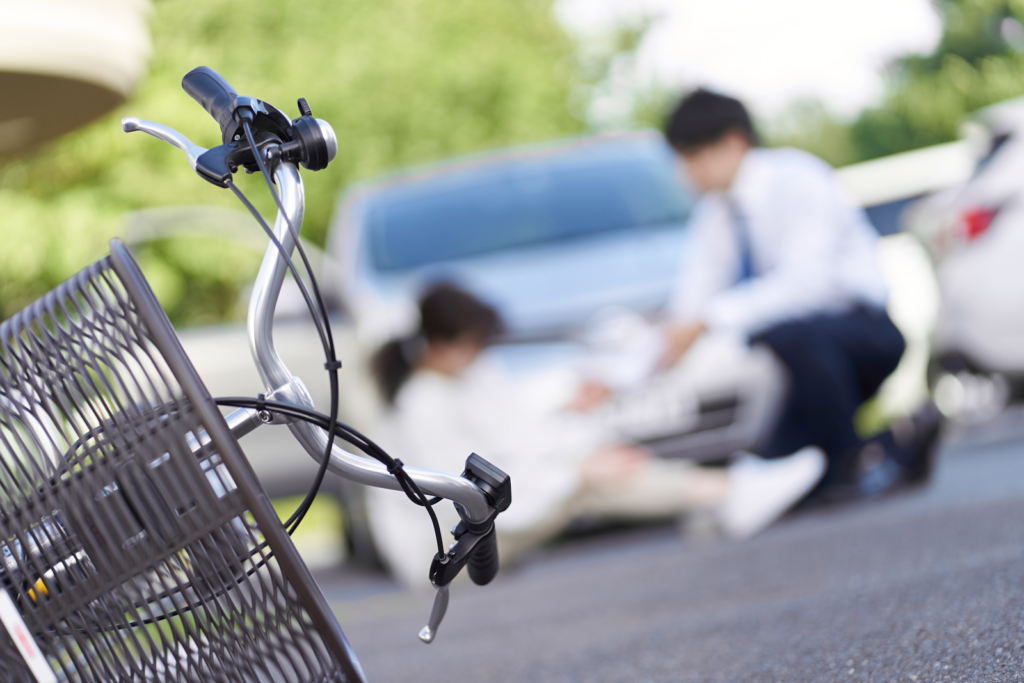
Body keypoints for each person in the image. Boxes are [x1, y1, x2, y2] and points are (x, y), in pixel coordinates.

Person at [365, 283, 826, 590]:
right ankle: (727, 493)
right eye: (473, 343)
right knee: (587, 482)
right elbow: (468, 494)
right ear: (443, 345)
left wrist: (577, 438)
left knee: (593, 462)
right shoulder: (420, 404)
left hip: (476, 530)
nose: (480, 353)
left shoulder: (457, 379)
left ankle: (719, 496)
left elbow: (517, 437)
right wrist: (577, 469)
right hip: (443, 553)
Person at [659, 89, 941, 502]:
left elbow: (808, 288)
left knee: (784, 334)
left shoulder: (798, 179)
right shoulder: (715, 215)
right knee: (784, 469)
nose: (686, 174)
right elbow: (691, 300)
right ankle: (894, 443)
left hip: (862, 334)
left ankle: (856, 461)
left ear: (734, 142)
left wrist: (710, 319)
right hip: (797, 363)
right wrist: (638, 363)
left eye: (692, 156)